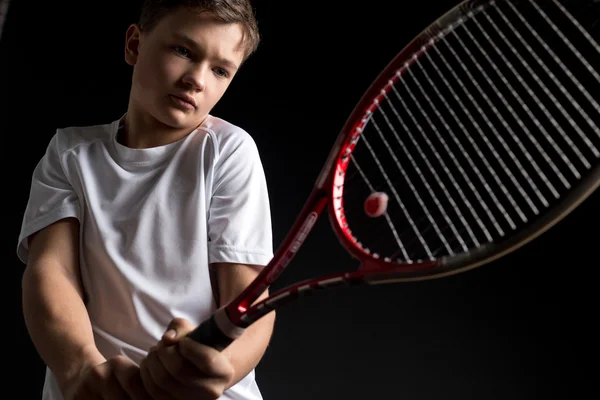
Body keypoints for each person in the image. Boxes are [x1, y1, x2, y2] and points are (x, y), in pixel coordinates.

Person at [17, 1, 276, 399]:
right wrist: (82, 370)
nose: (197, 79)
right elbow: (52, 272)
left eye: (220, 70)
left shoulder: (227, 151)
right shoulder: (69, 152)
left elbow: (250, 301)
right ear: (135, 45)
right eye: (183, 51)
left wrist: (216, 371)